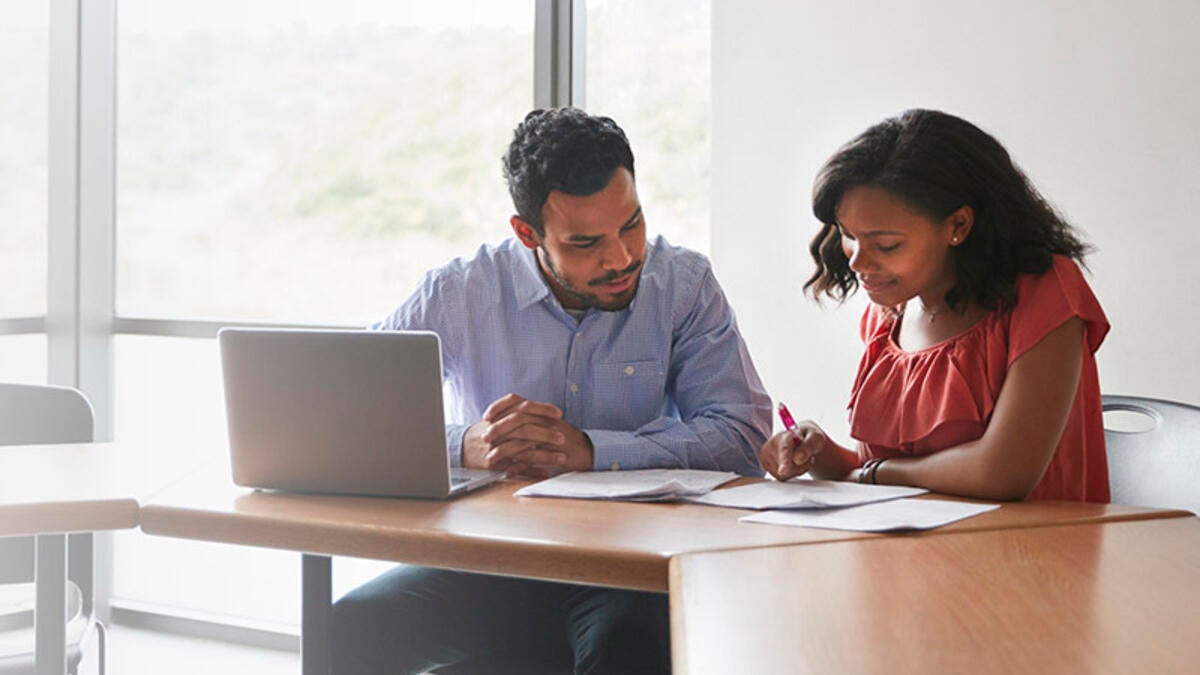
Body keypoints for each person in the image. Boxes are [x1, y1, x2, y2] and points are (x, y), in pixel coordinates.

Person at [331, 107, 771, 675]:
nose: (620, 258)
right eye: (586, 243)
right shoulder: (459, 291)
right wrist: (466, 443)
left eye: (631, 224)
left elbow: (743, 436)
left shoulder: (683, 285)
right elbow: (347, 411)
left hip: (630, 564)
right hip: (490, 557)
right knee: (353, 624)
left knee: (626, 649)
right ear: (527, 233)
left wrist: (591, 451)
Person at [761, 108, 1110, 503]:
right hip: (910, 551)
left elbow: (1003, 474)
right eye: (848, 235)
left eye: (886, 244)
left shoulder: (1046, 292)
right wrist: (817, 450)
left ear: (958, 226)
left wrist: (874, 475)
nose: (857, 260)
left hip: (1032, 554)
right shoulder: (889, 313)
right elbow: (873, 470)